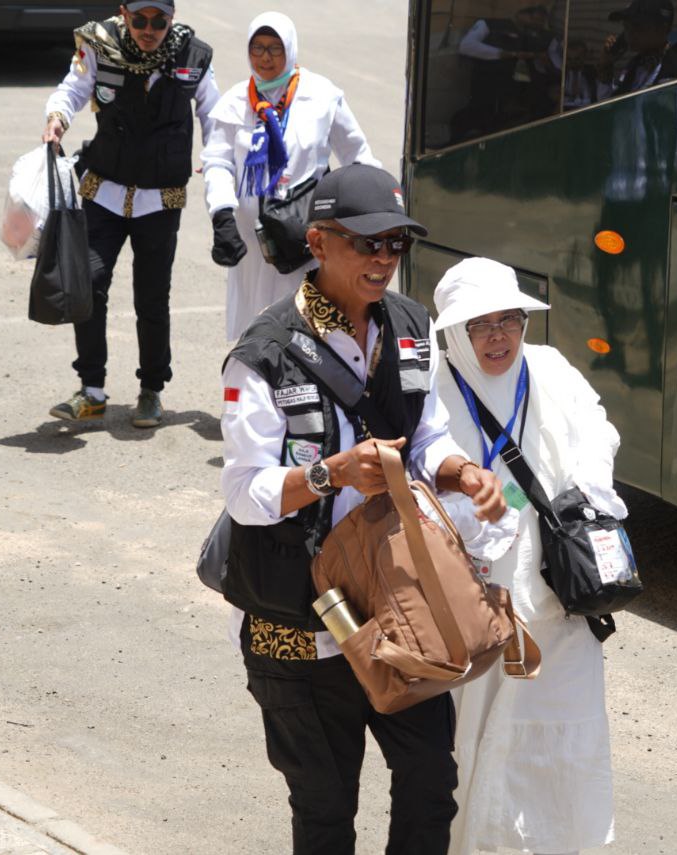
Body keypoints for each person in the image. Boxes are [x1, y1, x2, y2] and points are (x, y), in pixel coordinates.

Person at [218, 163, 508, 855]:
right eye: (365, 243)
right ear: (318, 244)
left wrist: (462, 471)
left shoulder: (411, 327)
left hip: (400, 604)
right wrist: (329, 473)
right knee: (324, 811)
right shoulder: (263, 354)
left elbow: (427, 433)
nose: (383, 259)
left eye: (394, 244)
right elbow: (244, 493)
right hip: (304, 617)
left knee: (431, 781)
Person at [431, 257, 628, 855]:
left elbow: (598, 425)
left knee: (561, 736)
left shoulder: (548, 367)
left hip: (556, 595)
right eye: (480, 325)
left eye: (510, 320)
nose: (499, 337)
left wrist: (588, 488)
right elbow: (420, 477)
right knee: (476, 737)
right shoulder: (435, 388)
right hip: (474, 605)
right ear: (454, 335)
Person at [41, 1, 220, 428]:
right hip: (104, 190)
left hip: (160, 199)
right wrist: (58, 119)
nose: (149, 29)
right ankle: (92, 389)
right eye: (139, 19)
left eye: (159, 20)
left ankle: (151, 390)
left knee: (152, 299)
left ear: (170, 19)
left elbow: (215, 114)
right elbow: (73, 87)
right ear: (124, 14)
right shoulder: (100, 45)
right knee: (89, 283)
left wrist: (216, 159)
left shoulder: (193, 56)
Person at [201, 12, 379, 346]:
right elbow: (217, 163)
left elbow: (358, 156)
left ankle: (302, 391)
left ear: (291, 50)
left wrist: (377, 209)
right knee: (254, 321)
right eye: (257, 48)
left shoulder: (322, 97)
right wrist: (222, 213)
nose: (265, 58)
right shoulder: (235, 102)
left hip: (303, 236)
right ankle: (255, 387)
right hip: (250, 242)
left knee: (303, 320)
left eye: (275, 48)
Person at [450, 5, 556, 142]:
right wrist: (505, 54)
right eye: (535, 20)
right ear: (522, 14)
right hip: (487, 89)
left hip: (514, 101)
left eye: (541, 22)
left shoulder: (533, 36)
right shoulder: (489, 24)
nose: (538, 25)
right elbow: (466, 46)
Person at [597, 0, 677, 101]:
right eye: (626, 27)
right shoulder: (633, 68)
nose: (629, 34)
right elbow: (608, 108)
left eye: (637, 26)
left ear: (662, 29)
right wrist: (605, 66)